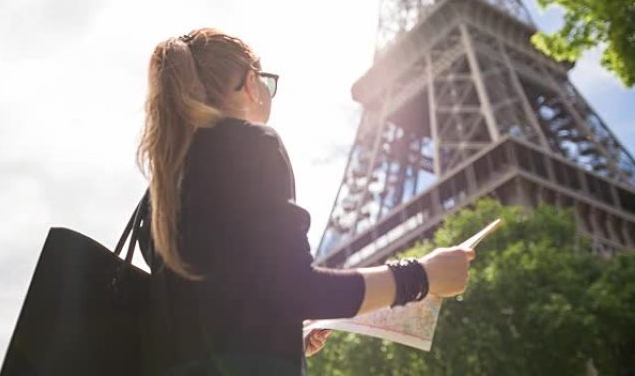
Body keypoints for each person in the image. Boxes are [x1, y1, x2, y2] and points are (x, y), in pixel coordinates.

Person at [135, 27, 475, 376]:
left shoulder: (160, 192)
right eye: (267, 83)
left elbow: (210, 314)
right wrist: (422, 276)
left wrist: (285, 339)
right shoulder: (251, 146)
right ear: (252, 84)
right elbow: (297, 288)